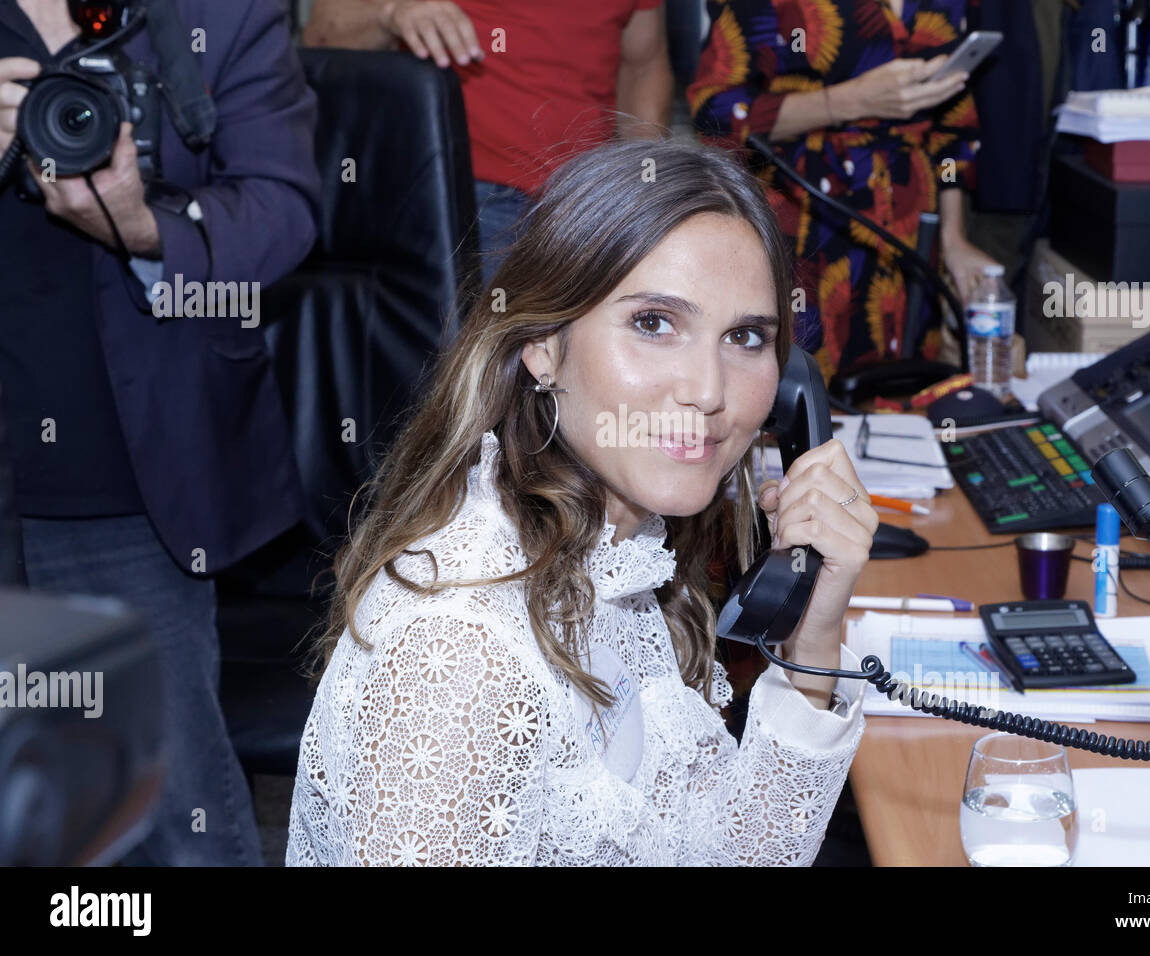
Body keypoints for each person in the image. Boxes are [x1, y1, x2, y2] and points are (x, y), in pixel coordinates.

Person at [286, 137, 879, 866]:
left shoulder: (616, 560)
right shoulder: (460, 643)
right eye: (654, 323)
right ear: (542, 343)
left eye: (746, 337)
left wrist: (812, 640)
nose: (708, 390)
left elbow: (732, 854)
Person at [0, 0, 319, 864]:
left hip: (124, 484)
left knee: (165, 820)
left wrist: (141, 224)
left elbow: (283, 206)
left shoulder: (219, 12)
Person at [688, 0, 1000, 383]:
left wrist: (952, 239)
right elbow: (716, 114)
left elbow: (952, 133)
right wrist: (849, 102)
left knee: (904, 385)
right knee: (798, 388)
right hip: (804, 215)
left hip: (909, 224)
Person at [302, 0, 674, 287]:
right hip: (465, 198)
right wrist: (392, 11)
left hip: (590, 202)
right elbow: (322, 34)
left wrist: (647, 186)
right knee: (469, 376)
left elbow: (643, 64)